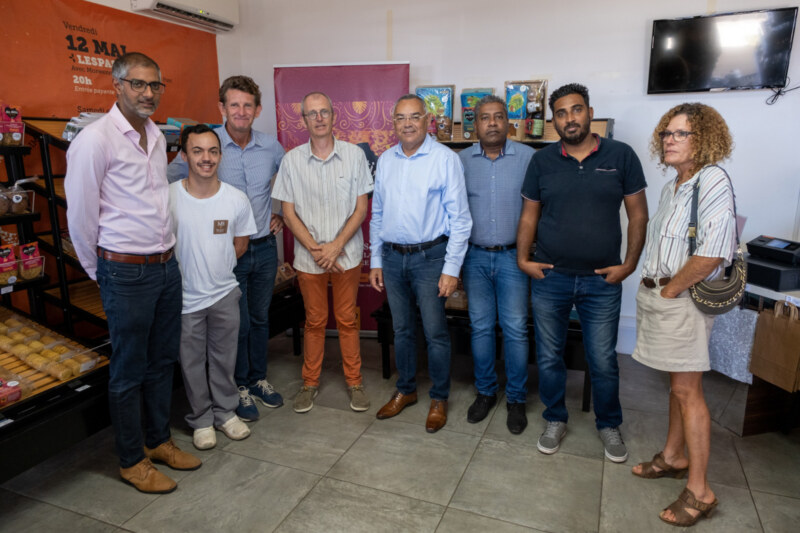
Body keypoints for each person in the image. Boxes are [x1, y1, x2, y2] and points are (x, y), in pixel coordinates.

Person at [65, 52, 200, 494]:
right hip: (124, 272)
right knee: (128, 370)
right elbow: (82, 216)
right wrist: (100, 271)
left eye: (154, 86)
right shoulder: (95, 139)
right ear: (116, 85)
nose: (147, 93)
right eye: (138, 84)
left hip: (165, 266)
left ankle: (158, 441)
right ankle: (130, 459)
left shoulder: (157, 136)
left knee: (163, 362)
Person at [517, 83, 648, 461]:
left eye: (575, 110)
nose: (569, 118)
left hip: (601, 281)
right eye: (560, 113)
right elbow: (530, 215)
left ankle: (609, 424)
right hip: (551, 277)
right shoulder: (542, 161)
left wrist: (629, 264)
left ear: (590, 112)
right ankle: (555, 418)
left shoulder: (621, 156)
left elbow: (638, 214)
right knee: (548, 356)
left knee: (603, 359)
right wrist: (523, 259)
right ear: (553, 120)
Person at [631, 103, 736, 527]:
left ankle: (700, 491)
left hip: (682, 301)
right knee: (677, 387)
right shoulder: (675, 185)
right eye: (666, 134)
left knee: (688, 392)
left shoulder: (712, 181)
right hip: (661, 297)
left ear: (704, 140)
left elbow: (713, 252)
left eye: (680, 134)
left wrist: (673, 289)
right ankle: (673, 456)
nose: (669, 140)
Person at [168, 75, 285, 422]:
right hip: (225, 251)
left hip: (263, 247)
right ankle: (238, 389)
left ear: (257, 109)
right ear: (222, 108)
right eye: (234, 104)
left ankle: (257, 378)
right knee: (239, 325)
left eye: (248, 105)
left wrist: (280, 212)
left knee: (261, 319)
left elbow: (292, 181)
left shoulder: (272, 147)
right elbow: (171, 182)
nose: (241, 111)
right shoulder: (204, 144)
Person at [369, 94, 472, 433]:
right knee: (401, 329)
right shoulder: (385, 160)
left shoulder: (444, 159)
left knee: (435, 333)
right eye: (401, 117)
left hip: (431, 259)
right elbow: (378, 213)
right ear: (394, 122)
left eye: (415, 117)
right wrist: (376, 260)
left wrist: (451, 269)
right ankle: (407, 390)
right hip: (394, 258)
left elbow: (460, 220)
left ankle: (439, 397)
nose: (408, 123)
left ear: (427, 120)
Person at [272, 92, 373, 413]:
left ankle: (355, 383)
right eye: (311, 113)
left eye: (323, 112)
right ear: (303, 120)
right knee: (314, 322)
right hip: (309, 258)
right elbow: (288, 213)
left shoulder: (354, 155)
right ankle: (310, 383)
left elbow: (361, 209)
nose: (318, 118)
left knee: (346, 319)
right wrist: (317, 249)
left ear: (333, 116)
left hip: (346, 254)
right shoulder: (291, 161)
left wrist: (335, 246)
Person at [170, 124, 256, 450]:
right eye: (198, 151)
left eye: (213, 151)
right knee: (191, 364)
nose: (206, 159)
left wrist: (215, 270)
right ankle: (202, 419)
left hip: (224, 294)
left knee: (224, 359)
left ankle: (225, 413)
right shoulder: (168, 198)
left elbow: (241, 243)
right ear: (184, 155)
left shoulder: (236, 199)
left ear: (220, 155)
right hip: (184, 299)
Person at [459, 94, 534, 434]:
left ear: (509, 122)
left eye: (498, 117)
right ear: (474, 125)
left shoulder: (530, 159)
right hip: (473, 257)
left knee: (516, 329)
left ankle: (516, 398)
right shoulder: (460, 162)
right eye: (484, 118)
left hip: (513, 258)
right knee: (481, 327)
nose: (491, 123)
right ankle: (486, 391)